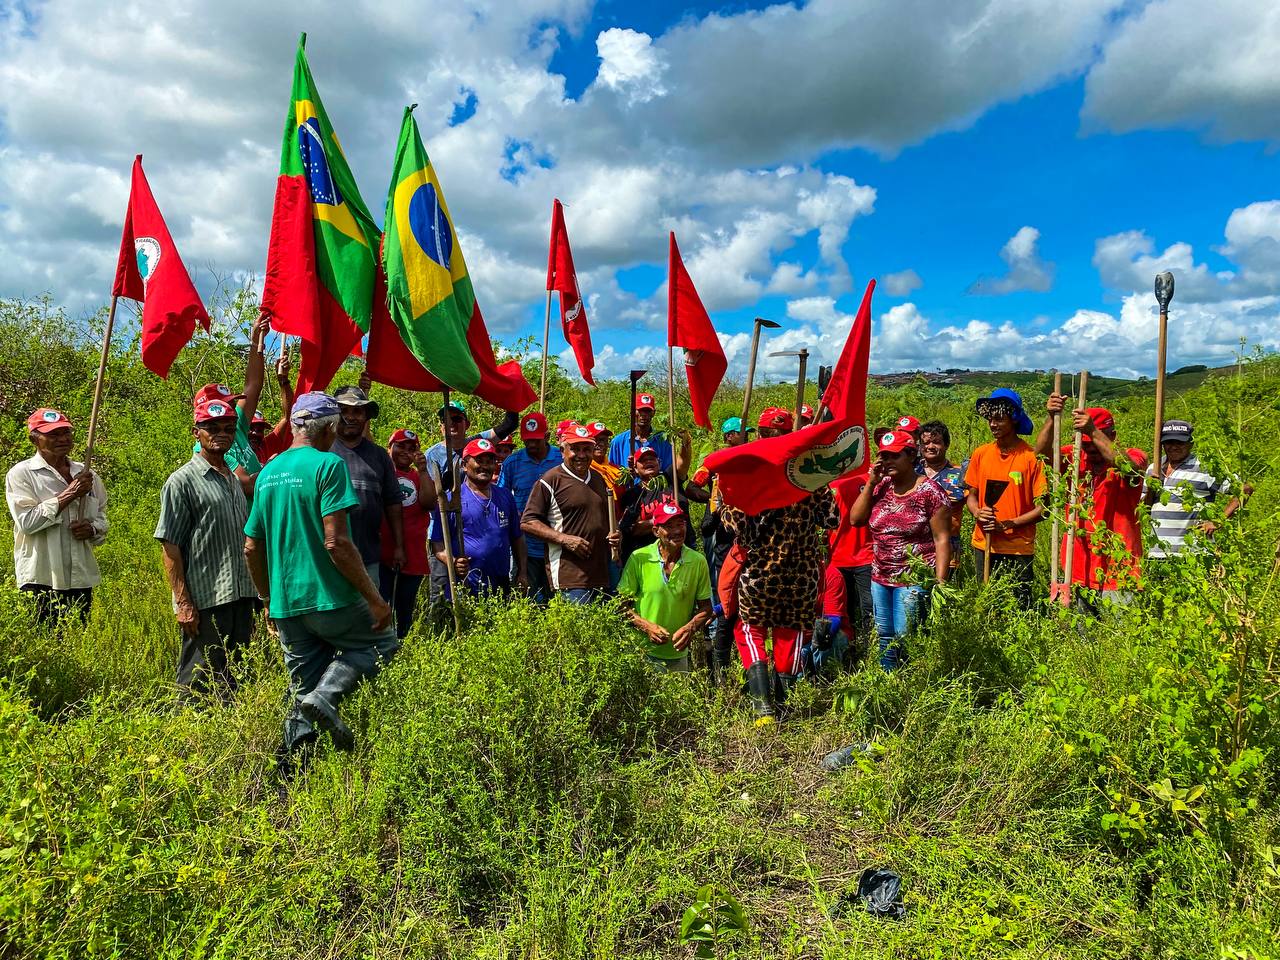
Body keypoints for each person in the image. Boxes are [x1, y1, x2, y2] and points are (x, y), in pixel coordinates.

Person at [243, 392, 397, 774]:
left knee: (302, 687)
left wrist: (267, 600)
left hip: (286, 603)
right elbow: (337, 543)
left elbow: (251, 547)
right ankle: (328, 696)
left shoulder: (268, 473)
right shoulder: (329, 465)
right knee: (382, 644)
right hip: (330, 597)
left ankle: (292, 770)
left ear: (295, 424)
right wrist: (374, 598)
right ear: (329, 427)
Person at [155, 395, 258, 702]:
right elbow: (170, 547)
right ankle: (183, 742)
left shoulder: (232, 478)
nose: (221, 433)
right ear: (196, 432)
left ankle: (228, 743)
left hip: (241, 593)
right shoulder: (182, 482)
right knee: (196, 682)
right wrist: (183, 603)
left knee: (236, 679)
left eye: (228, 427)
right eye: (212, 427)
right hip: (206, 599)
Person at [721, 486, 840, 723]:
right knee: (790, 638)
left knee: (749, 631)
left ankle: (763, 708)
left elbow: (734, 524)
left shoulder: (756, 481)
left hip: (761, 576)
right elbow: (832, 519)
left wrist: (725, 504)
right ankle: (784, 710)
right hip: (800, 578)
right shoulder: (812, 481)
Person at [848, 430, 952, 670]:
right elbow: (855, 519)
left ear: (911, 456)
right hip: (880, 576)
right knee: (885, 636)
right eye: (883, 456)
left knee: (907, 636)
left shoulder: (930, 493)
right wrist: (871, 482)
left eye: (894, 456)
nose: (886, 462)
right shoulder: (881, 487)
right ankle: (889, 681)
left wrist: (940, 582)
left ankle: (911, 683)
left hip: (912, 579)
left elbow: (942, 539)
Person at [1036, 397, 1147, 603]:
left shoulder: (1134, 455)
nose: (1091, 451)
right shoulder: (1075, 456)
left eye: (1095, 444)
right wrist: (1052, 418)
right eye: (1086, 445)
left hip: (1120, 570)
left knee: (1119, 632)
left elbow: (1129, 467)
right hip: (1078, 567)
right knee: (1081, 633)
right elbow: (1041, 454)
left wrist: (1093, 432)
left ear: (1112, 435)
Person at [6, 408, 108, 624]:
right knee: (44, 646)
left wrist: (92, 529)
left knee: (78, 643)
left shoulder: (86, 473)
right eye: (53, 434)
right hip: (41, 578)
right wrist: (71, 493)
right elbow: (28, 523)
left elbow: (102, 518)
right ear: (35, 439)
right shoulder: (22, 474)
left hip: (80, 578)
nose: (63, 439)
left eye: (66, 432)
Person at [521, 423, 619, 603]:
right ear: (562, 450)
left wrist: (615, 534)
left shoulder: (597, 479)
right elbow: (528, 522)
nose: (581, 455)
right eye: (575, 449)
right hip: (570, 575)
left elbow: (604, 519)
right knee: (578, 628)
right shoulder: (550, 481)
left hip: (600, 571)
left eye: (587, 449)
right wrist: (564, 539)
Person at [965, 388, 1047, 602]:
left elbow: (1044, 510)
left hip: (1018, 547)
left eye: (999, 419)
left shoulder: (1030, 458)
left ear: (1013, 420)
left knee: (1019, 605)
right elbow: (971, 494)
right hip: (984, 543)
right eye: (991, 419)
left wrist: (1007, 524)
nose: (993, 424)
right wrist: (977, 512)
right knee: (987, 602)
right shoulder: (981, 454)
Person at [617, 499, 714, 672]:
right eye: (669, 526)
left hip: (678, 655)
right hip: (641, 653)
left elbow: (706, 608)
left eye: (680, 524)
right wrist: (647, 627)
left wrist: (690, 628)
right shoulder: (639, 558)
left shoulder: (697, 561)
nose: (677, 531)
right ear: (656, 531)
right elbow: (621, 606)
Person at [430, 438, 528, 596]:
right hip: (466, 584)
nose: (485, 466)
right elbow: (438, 545)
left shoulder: (505, 496)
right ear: (464, 465)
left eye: (490, 461)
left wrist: (522, 572)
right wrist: (453, 561)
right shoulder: (451, 500)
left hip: (500, 584)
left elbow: (517, 538)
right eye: (479, 460)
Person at [329, 385, 404, 586]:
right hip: (327, 560)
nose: (350, 417)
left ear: (366, 416)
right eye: (343, 410)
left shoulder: (380, 456)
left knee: (371, 615)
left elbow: (393, 503)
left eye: (357, 411)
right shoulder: (322, 451)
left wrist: (398, 546)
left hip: (368, 559)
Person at [191, 315, 270, 498]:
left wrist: (256, 341)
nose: (233, 410)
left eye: (233, 405)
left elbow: (253, 385)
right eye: (227, 406)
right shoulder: (211, 449)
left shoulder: (236, 428)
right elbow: (249, 486)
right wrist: (276, 468)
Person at [1144, 419, 1247, 560]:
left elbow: (1244, 489)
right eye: (1169, 442)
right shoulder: (1153, 468)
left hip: (1194, 555)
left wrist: (1218, 521)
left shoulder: (1204, 468)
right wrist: (1151, 488)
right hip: (1157, 554)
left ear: (1190, 443)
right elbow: (1144, 510)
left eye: (1179, 442)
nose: (1173, 447)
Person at [497, 411, 563, 600]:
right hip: (524, 544)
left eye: (536, 440)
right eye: (528, 440)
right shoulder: (512, 463)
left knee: (557, 600)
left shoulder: (561, 459)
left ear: (547, 436)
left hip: (556, 542)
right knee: (526, 598)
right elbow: (501, 497)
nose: (531, 445)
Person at [379, 428, 438, 639]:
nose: (406, 451)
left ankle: (401, 646)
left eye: (411, 448)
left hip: (413, 556)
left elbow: (429, 502)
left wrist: (423, 470)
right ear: (389, 448)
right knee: (381, 605)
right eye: (400, 446)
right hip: (382, 554)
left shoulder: (418, 476)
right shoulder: (381, 473)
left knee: (405, 609)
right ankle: (381, 649)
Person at [828, 473, 874, 660]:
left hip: (867, 556)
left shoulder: (871, 478)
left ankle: (868, 651)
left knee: (869, 608)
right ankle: (846, 654)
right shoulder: (825, 480)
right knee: (842, 611)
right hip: (836, 557)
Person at [618, 445, 690, 562]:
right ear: (635, 468)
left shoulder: (670, 478)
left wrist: (685, 441)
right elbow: (630, 530)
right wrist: (662, 521)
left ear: (659, 463)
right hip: (648, 557)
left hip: (682, 552)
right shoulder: (631, 495)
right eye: (643, 460)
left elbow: (683, 460)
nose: (648, 462)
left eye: (652, 459)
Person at [425, 398, 519, 483]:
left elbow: (510, 424)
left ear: (467, 424)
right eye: (445, 419)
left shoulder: (477, 444)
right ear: (441, 426)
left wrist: (509, 392)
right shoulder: (432, 455)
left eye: (456, 419)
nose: (451, 423)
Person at [919, 420, 966, 569]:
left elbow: (975, 503)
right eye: (925, 443)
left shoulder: (960, 474)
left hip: (949, 552)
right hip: (915, 552)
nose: (930, 447)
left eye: (936, 442)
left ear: (946, 445)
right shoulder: (911, 473)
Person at [608, 392, 691, 475]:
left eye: (648, 411)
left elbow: (669, 472)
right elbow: (611, 472)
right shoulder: (618, 442)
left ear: (653, 413)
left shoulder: (663, 440)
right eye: (640, 411)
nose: (644, 415)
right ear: (633, 412)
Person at [248, 354, 296, 466]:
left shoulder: (266, 446)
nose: (255, 433)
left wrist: (283, 380)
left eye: (260, 430)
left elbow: (287, 417)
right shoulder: (232, 449)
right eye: (251, 428)